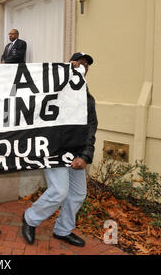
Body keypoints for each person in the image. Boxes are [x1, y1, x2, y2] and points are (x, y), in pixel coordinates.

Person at [21, 52, 97, 247]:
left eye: (86, 65)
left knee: (78, 194)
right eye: (79, 63)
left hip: (77, 153)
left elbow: (90, 129)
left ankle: (63, 230)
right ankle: (30, 219)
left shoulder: (87, 98)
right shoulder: (55, 90)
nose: (83, 67)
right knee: (59, 191)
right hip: (55, 151)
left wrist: (85, 156)